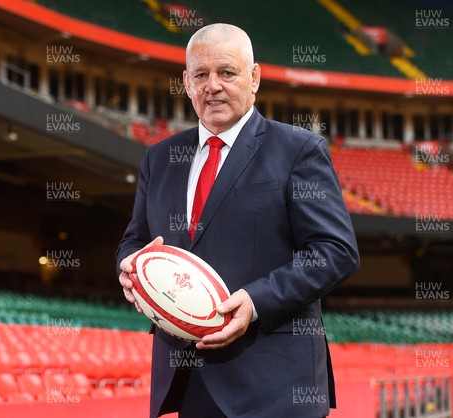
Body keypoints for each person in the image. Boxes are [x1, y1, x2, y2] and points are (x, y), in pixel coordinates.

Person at [116, 23, 359, 418]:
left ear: (254, 78)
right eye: (201, 75)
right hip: (189, 382)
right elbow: (134, 240)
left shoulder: (298, 149)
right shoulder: (158, 158)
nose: (212, 85)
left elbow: (336, 252)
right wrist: (128, 267)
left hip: (276, 387)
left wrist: (256, 301)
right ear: (186, 83)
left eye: (227, 72)